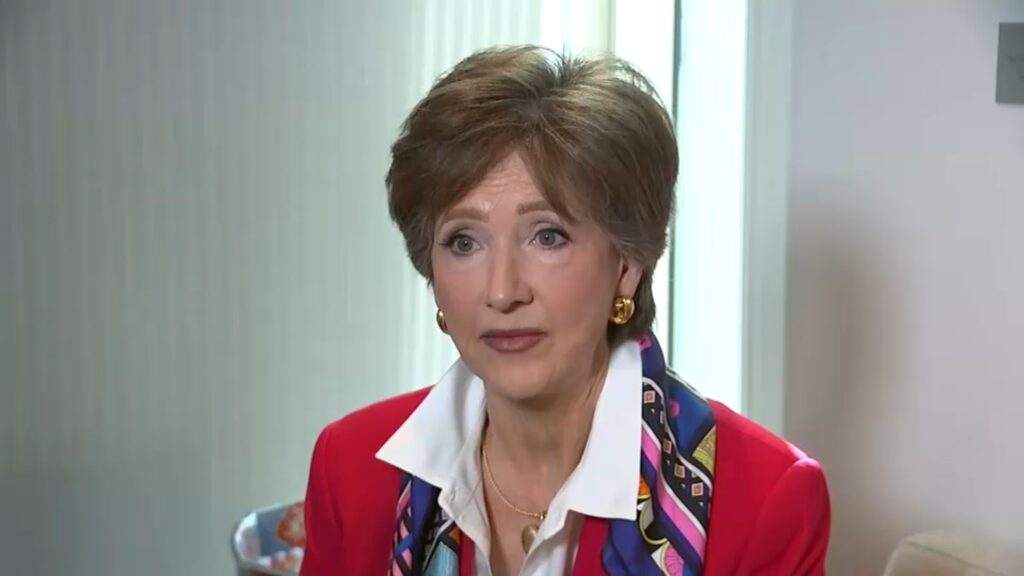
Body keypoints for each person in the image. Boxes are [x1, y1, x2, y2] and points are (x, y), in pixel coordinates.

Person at [299, 45, 829, 576]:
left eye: (547, 236)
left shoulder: (766, 499)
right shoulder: (350, 469)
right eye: (463, 242)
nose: (502, 292)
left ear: (627, 263)